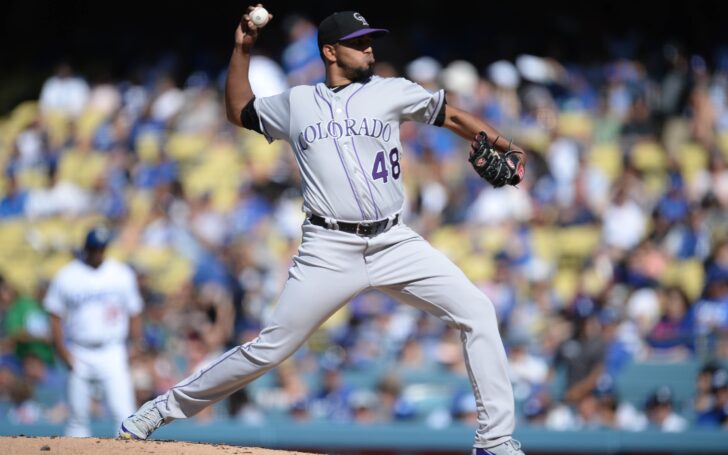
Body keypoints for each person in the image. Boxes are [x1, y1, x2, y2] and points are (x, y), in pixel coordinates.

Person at [120, 6, 527, 454]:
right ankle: (162, 408)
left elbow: (453, 117)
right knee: (270, 349)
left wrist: (506, 144)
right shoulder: (297, 103)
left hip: (394, 240)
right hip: (328, 247)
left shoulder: (392, 91)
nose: (369, 47)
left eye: (370, 40)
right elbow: (239, 110)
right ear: (330, 52)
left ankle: (495, 441)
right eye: (358, 42)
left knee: (477, 311)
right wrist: (242, 49)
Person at [45, 225, 143, 436]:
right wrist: (63, 351)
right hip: (80, 349)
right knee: (77, 419)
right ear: (86, 247)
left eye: (101, 248)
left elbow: (135, 311)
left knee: (125, 416)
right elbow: (54, 316)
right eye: (94, 248)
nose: (97, 252)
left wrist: (135, 344)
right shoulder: (68, 275)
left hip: (112, 349)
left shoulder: (120, 273)